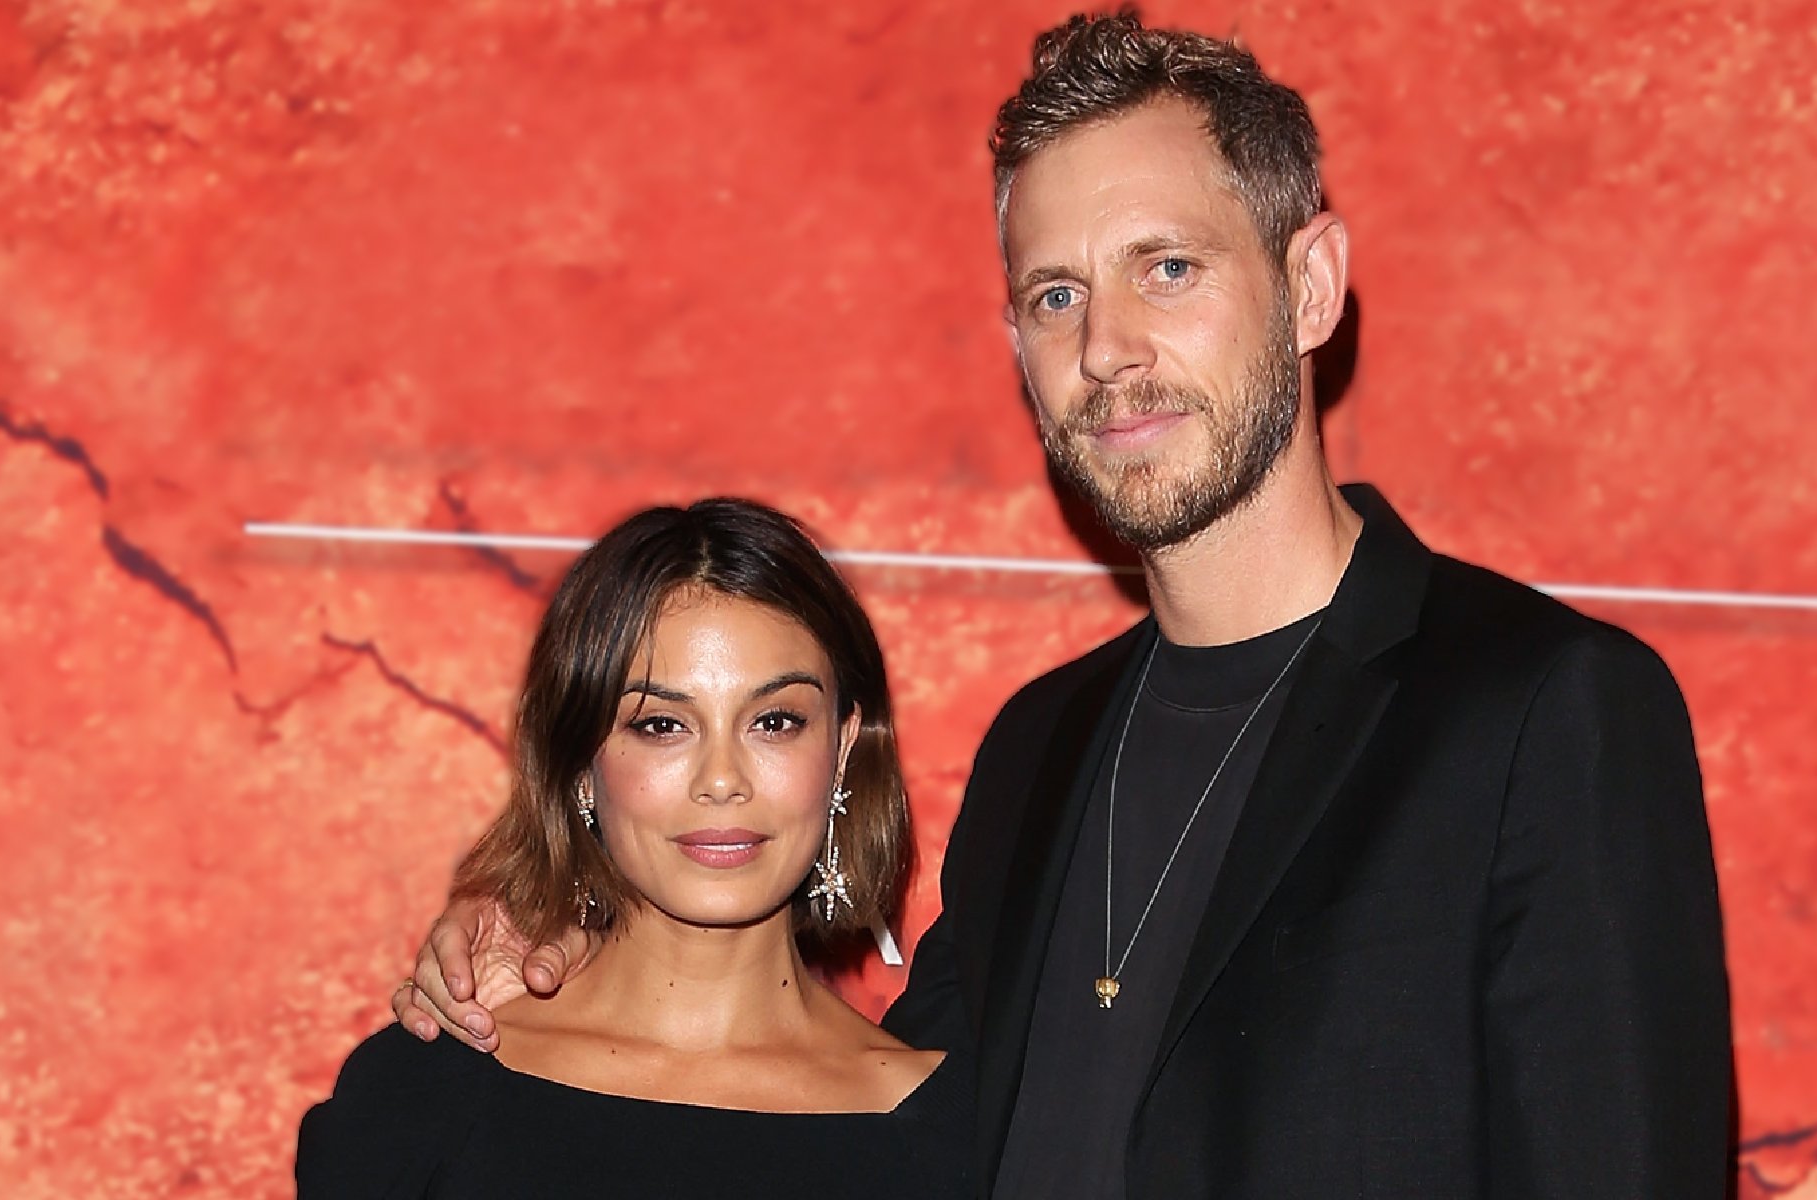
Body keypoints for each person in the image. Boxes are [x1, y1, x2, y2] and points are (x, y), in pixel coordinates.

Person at [394, 10, 1732, 1197]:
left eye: (1169, 269)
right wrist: (551, 954)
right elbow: (875, 1117)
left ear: (1309, 285)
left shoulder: (1538, 713)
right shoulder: (1041, 745)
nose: (1107, 349)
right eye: (1056, 295)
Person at [299, 499, 971, 1197]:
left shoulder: (953, 1138)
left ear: (840, 750)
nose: (722, 780)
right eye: (660, 725)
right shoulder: (427, 1096)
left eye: (774, 721)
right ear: (583, 762)